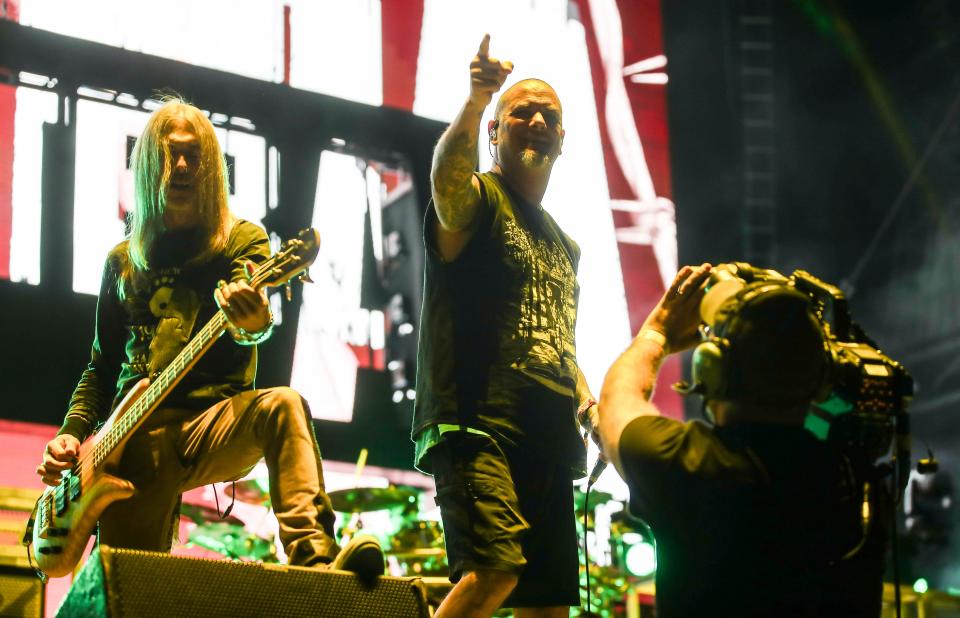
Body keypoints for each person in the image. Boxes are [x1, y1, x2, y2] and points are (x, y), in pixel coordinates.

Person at [35, 99, 383, 578]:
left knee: (283, 405)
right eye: (170, 154)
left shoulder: (241, 241)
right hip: (127, 446)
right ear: (148, 165)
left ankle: (315, 559)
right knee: (129, 591)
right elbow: (102, 366)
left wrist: (252, 322)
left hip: (210, 423)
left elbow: (253, 328)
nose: (181, 166)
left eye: (193, 156)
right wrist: (71, 435)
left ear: (211, 168)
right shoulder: (121, 261)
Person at [412, 34, 595, 617]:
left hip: (548, 439)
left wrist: (588, 399)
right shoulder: (479, 200)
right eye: (521, 111)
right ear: (494, 132)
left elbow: (553, 333)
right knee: (493, 571)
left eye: (550, 116)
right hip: (477, 425)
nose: (537, 120)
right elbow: (446, 182)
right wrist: (476, 98)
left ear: (562, 141)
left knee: (549, 607)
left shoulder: (566, 246)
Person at [595, 264, 888, 617]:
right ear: (821, 377)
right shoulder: (852, 472)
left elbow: (617, 399)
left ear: (711, 369)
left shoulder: (687, 463)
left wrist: (657, 333)